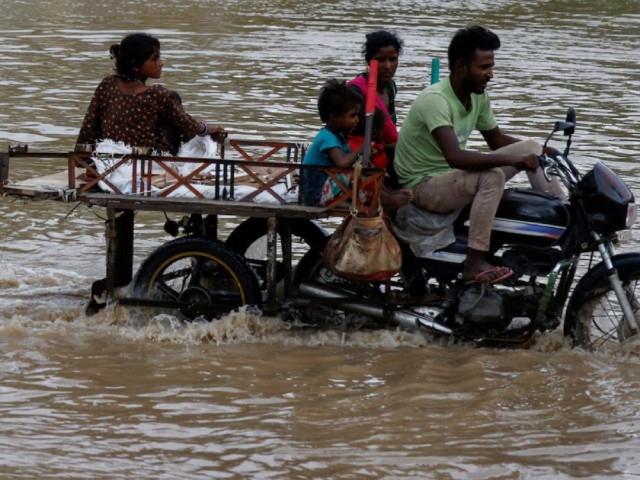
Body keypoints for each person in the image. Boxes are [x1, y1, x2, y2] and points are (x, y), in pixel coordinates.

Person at [394, 26, 565, 284]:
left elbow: (496, 140)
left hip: (450, 179)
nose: (490, 75)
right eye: (484, 67)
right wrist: (510, 160)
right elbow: (455, 157)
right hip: (423, 186)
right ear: (462, 66)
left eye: (491, 67)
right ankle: (474, 261)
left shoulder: (477, 97)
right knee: (492, 177)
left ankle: (567, 218)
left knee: (531, 146)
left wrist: (544, 151)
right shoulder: (436, 100)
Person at [76, 32, 225, 154]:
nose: (161, 63)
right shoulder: (157, 94)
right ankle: (180, 158)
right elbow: (188, 125)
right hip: (147, 162)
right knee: (174, 97)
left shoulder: (107, 84)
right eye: (155, 59)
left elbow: (89, 127)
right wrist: (207, 128)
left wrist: (82, 160)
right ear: (135, 65)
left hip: (111, 158)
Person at [300, 79, 364, 207]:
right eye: (353, 116)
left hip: (325, 188)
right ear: (334, 117)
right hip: (316, 196)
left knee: (363, 163)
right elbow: (342, 162)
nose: (357, 120)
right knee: (360, 166)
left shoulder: (338, 136)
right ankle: (378, 198)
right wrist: (360, 150)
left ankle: (380, 195)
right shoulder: (327, 137)